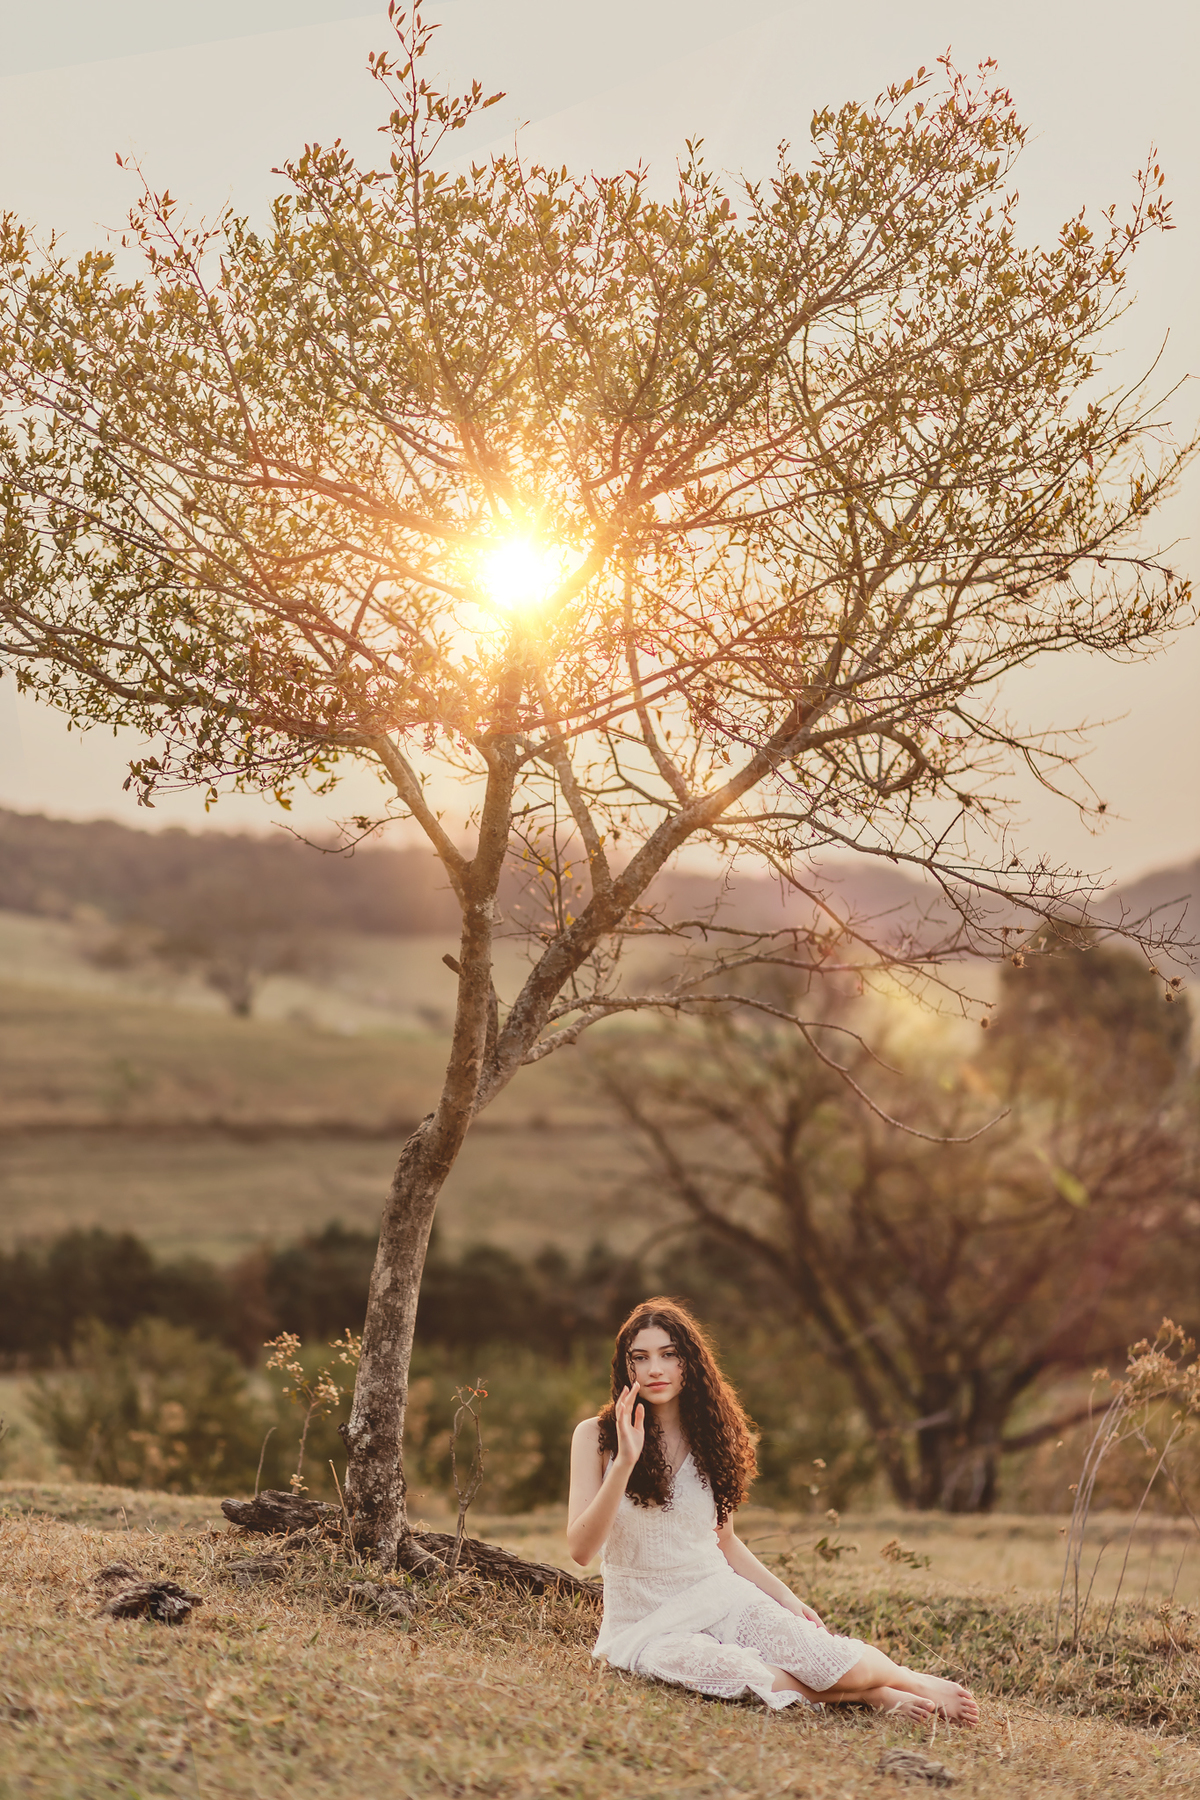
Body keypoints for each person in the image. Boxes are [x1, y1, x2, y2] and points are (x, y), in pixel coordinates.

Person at [567, 1298, 979, 1722]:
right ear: (626, 1368)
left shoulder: (712, 1437)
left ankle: (910, 1679)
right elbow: (580, 1550)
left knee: (829, 1660)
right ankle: (872, 1696)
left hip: (719, 1594)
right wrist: (625, 1464)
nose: (655, 1369)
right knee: (743, 1677)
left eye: (669, 1354)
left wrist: (785, 1597)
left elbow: (723, 1540)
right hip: (645, 1624)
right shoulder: (596, 1438)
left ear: (689, 1363)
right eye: (641, 1357)